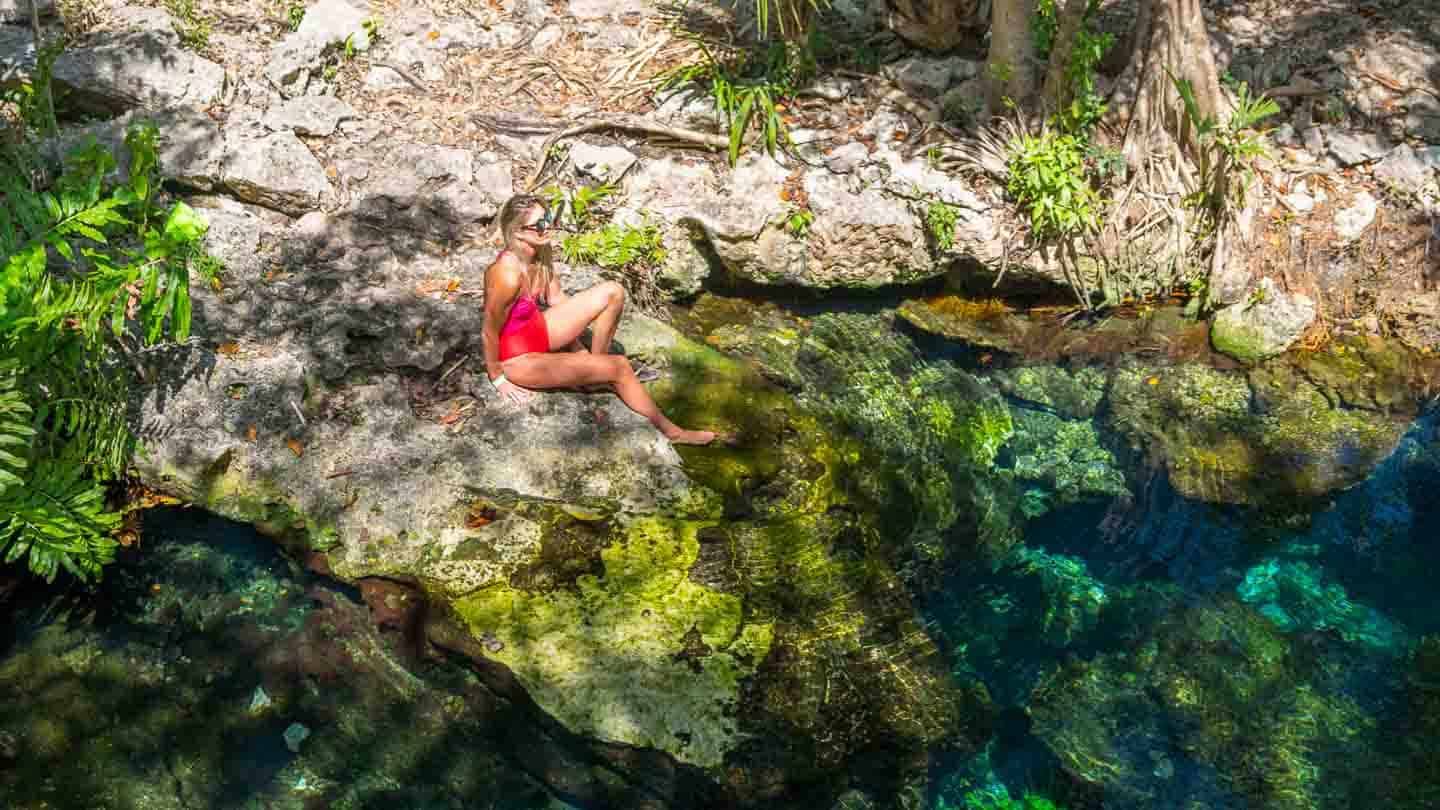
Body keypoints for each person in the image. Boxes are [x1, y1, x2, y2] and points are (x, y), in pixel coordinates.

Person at [480, 194, 717, 446]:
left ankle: (596, 369)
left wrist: (578, 348)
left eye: (548, 218)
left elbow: (558, 299)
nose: (548, 227)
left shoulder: (541, 251)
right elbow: (488, 329)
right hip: (517, 359)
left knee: (613, 291)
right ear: (517, 232)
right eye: (539, 224)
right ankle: (674, 433)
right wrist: (497, 376)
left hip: (539, 331)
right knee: (620, 366)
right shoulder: (506, 276)